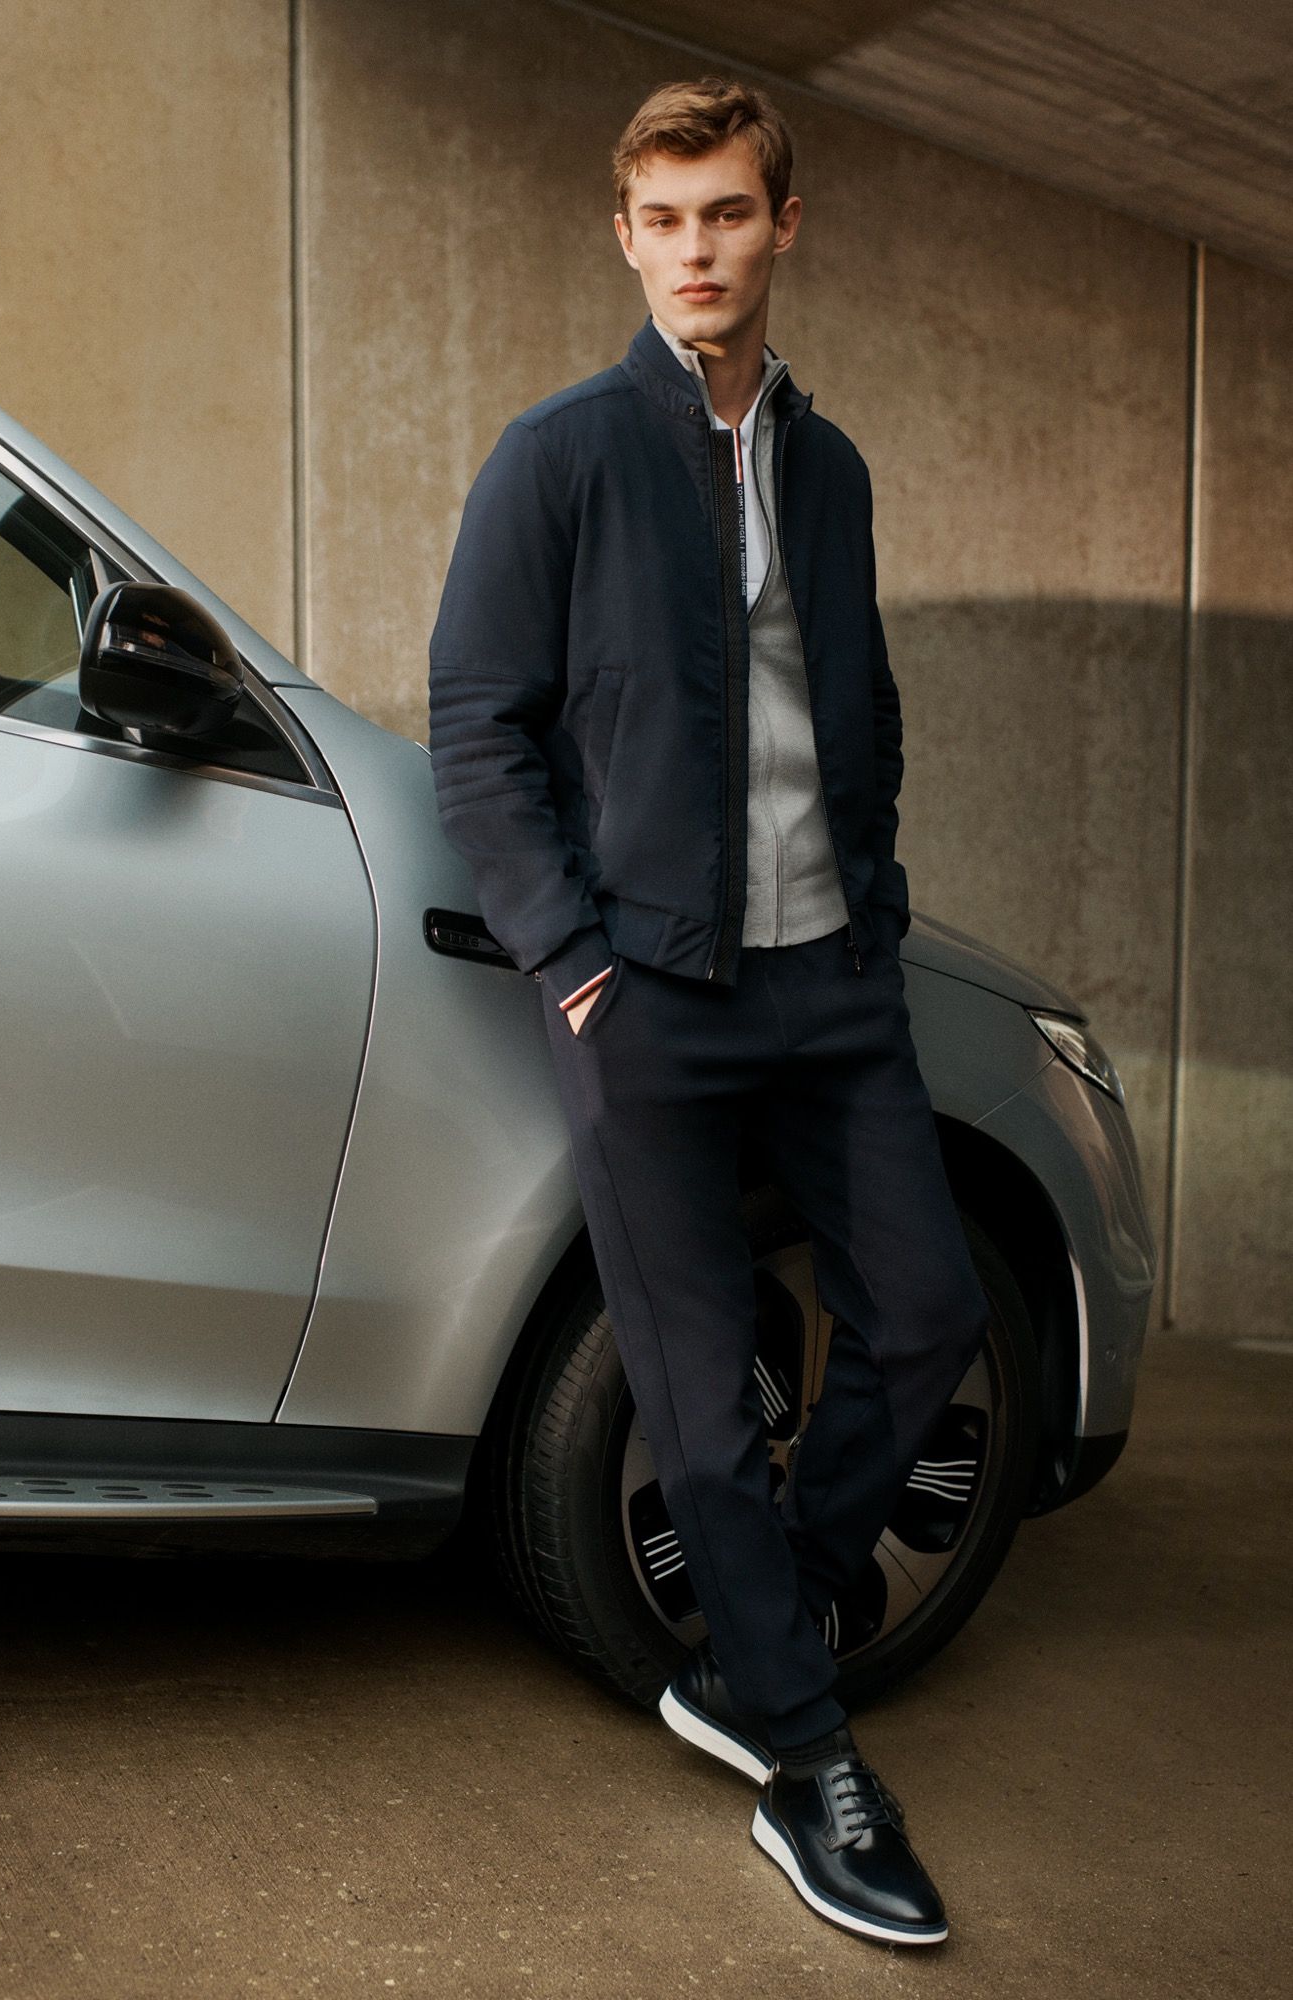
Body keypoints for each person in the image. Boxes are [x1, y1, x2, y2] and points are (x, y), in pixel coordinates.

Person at [427, 74, 990, 1949]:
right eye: (664, 221)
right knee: (694, 1390)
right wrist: (574, 960)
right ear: (625, 236)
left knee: (928, 1309)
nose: (698, 252)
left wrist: (874, 907)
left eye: (729, 214)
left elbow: (859, 705)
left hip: (831, 976)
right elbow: (478, 724)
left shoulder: (831, 471)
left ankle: (755, 1642)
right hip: (649, 990)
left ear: (783, 226)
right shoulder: (561, 456)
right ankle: (810, 1757)